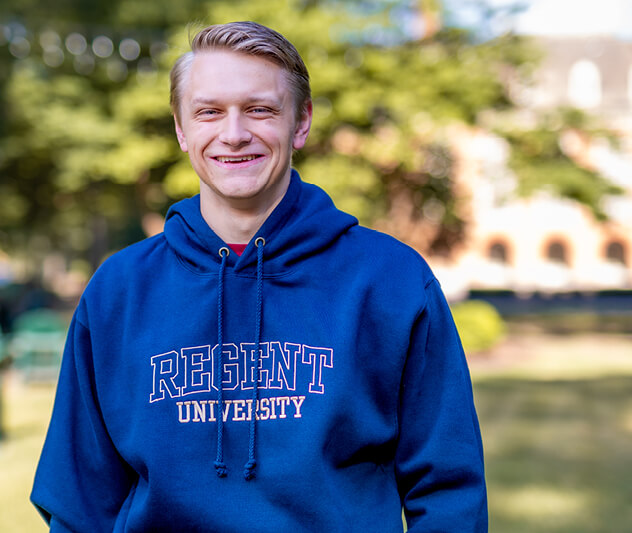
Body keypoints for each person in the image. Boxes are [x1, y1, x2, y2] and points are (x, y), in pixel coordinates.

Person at [31, 21, 488, 532]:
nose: (233, 134)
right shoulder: (118, 291)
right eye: (209, 112)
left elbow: (449, 494)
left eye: (260, 109)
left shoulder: (391, 282)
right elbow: (78, 503)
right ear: (182, 129)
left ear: (301, 122)